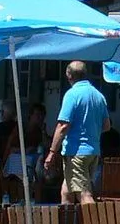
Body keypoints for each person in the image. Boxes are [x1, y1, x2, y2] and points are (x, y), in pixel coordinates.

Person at [44, 62, 108, 204]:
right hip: (93, 151)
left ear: (69, 75)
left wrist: (52, 152)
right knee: (67, 189)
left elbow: (63, 126)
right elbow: (106, 126)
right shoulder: (99, 96)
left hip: (76, 152)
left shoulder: (72, 95)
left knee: (84, 194)